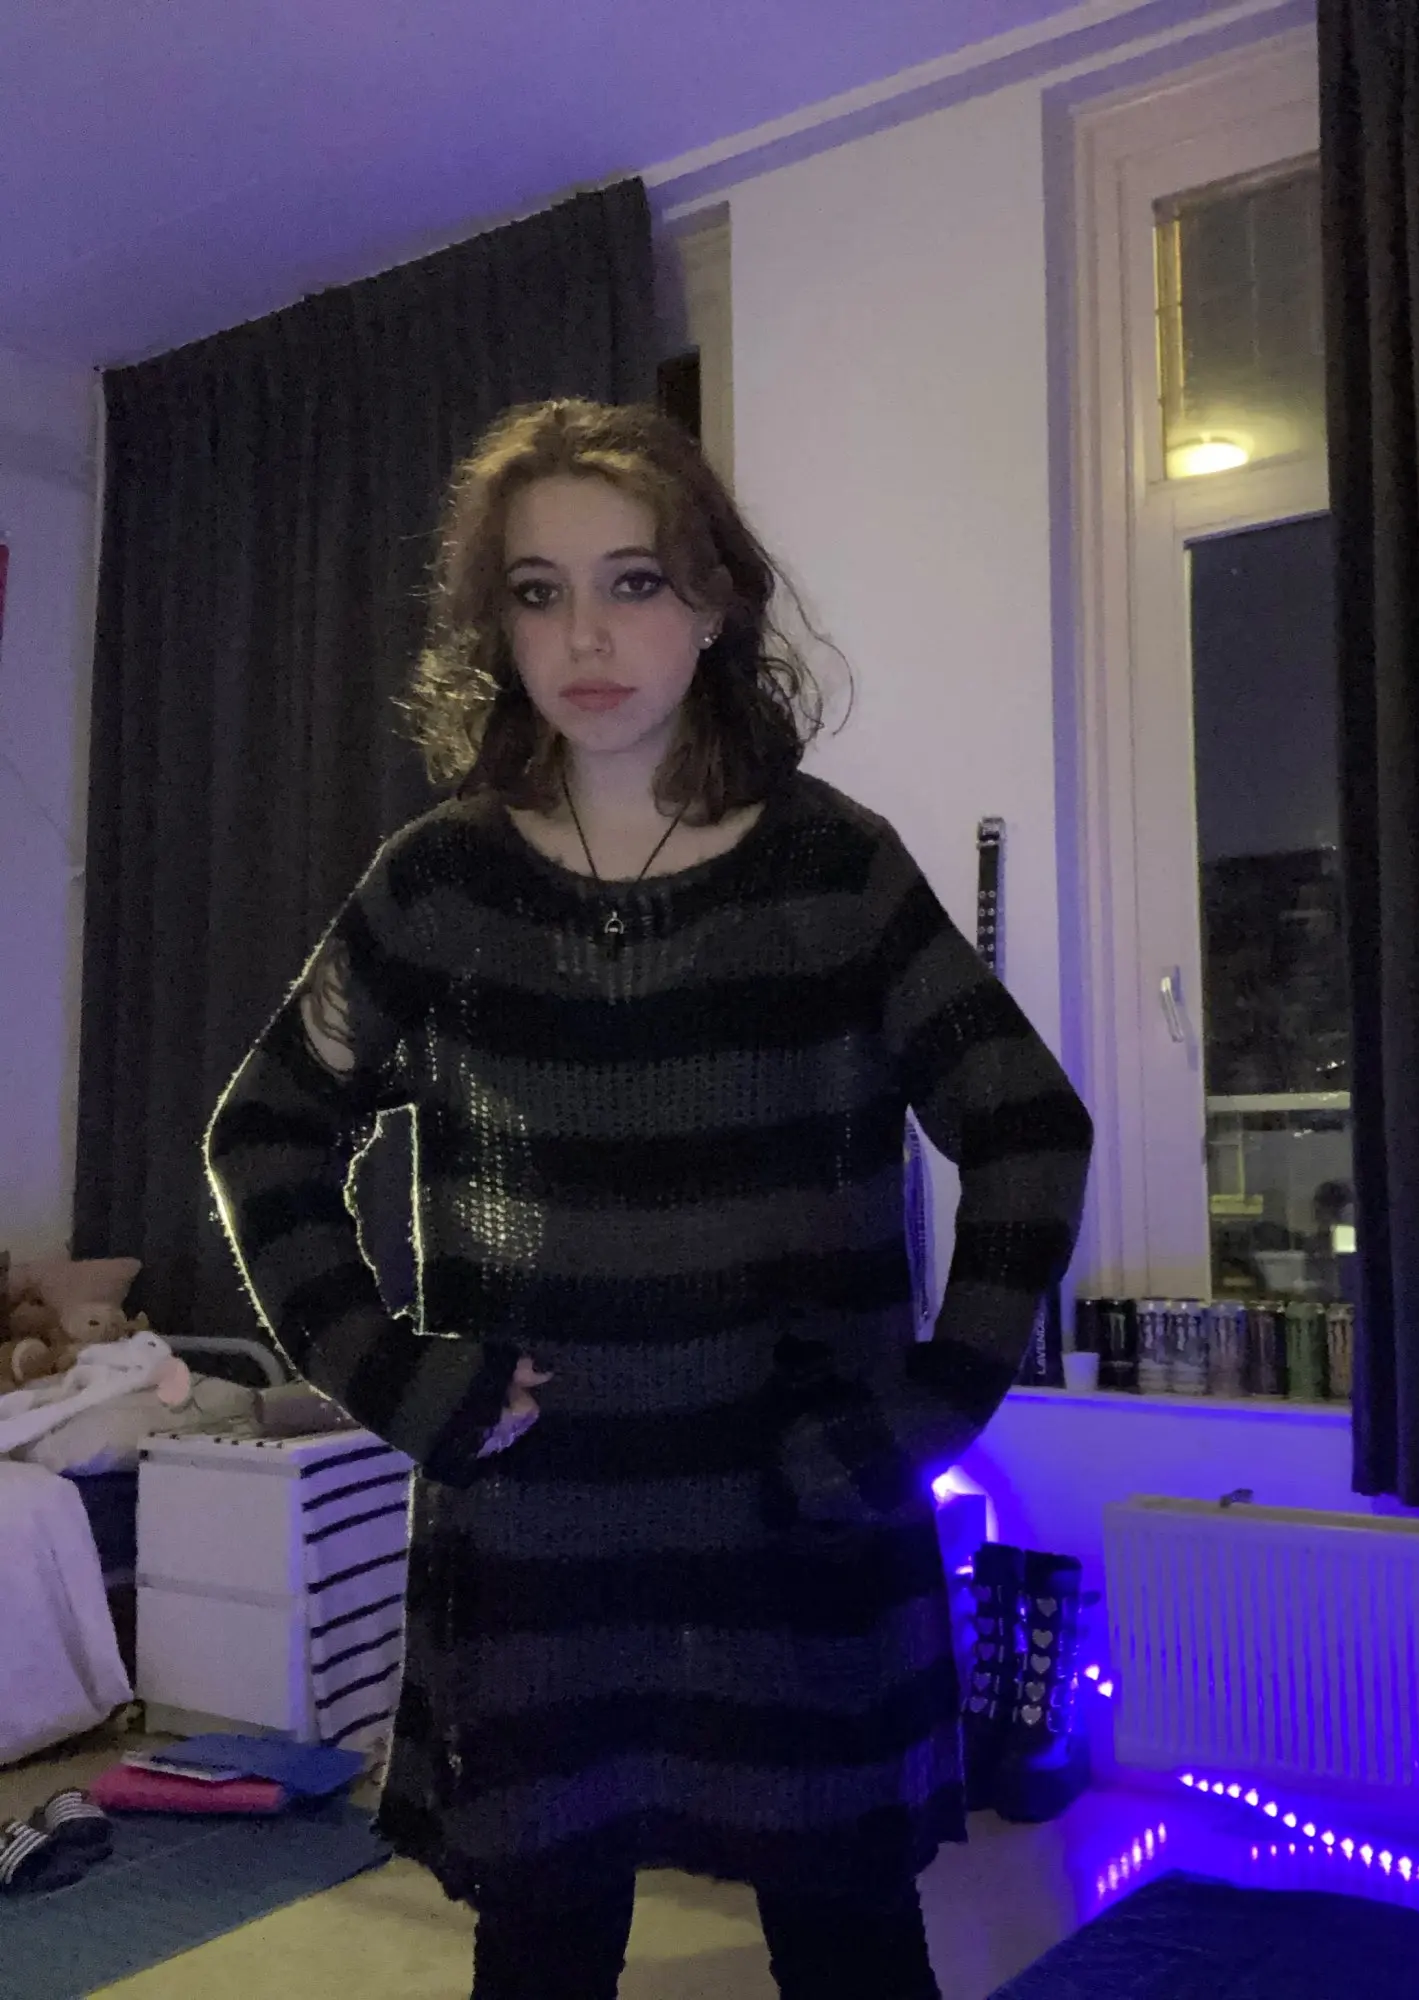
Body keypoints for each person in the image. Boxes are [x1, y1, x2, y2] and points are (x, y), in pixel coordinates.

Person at [205, 398, 1093, 2000]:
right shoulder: (440, 886)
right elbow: (264, 1134)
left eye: (634, 580)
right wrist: (394, 1375)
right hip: (538, 1532)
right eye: (537, 591)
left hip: (800, 1517)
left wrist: (932, 1404)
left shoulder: (833, 874)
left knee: (848, 1945)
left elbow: (1025, 1127)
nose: (586, 636)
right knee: (543, 1951)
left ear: (715, 602)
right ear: (496, 626)